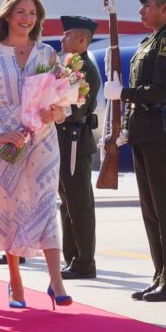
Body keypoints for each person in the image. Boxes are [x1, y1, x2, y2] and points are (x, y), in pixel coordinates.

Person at [0, 0, 72, 310]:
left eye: (33, 14)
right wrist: (1, 134)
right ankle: (15, 280)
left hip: (42, 142)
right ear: (8, 16)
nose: (27, 19)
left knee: (46, 205)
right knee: (10, 209)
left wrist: (54, 112)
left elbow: (63, 103)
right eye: (22, 12)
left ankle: (56, 281)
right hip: (7, 144)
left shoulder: (47, 54)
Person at [104, 0, 166, 302]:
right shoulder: (148, 43)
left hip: (162, 132)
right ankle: (162, 274)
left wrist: (123, 93)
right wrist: (126, 126)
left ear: (165, 9)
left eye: (147, 6)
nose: (141, 11)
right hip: (145, 132)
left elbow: (159, 91)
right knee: (152, 210)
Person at [57, 16, 101, 280]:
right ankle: (72, 257)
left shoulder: (82, 67)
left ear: (82, 40)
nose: (62, 39)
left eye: (68, 34)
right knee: (68, 201)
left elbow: (75, 108)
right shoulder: (70, 64)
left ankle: (84, 261)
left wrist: (52, 108)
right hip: (64, 139)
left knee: (79, 203)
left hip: (74, 139)